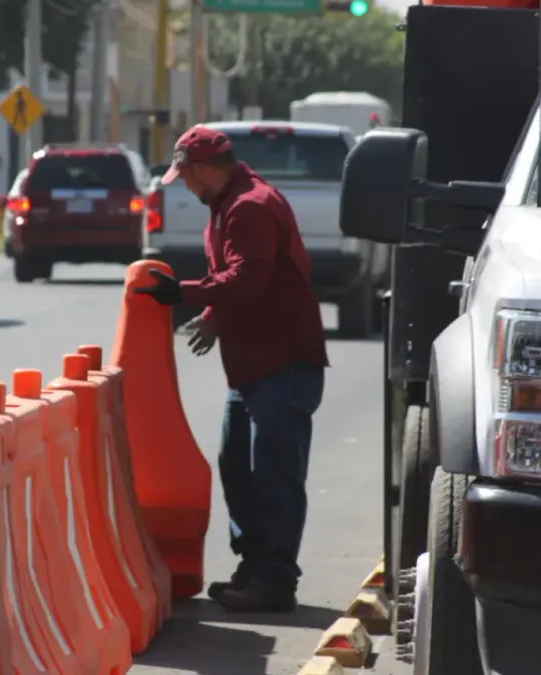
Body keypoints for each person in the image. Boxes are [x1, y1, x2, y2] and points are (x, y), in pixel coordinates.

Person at [134, 125, 329, 613]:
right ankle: (254, 568)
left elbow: (249, 279)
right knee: (236, 466)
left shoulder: (249, 206)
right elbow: (242, 281)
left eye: (188, 178)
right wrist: (214, 316)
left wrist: (183, 293)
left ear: (202, 168)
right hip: (252, 366)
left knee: (274, 474)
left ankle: (276, 580)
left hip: (282, 363)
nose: (187, 188)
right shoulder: (227, 206)